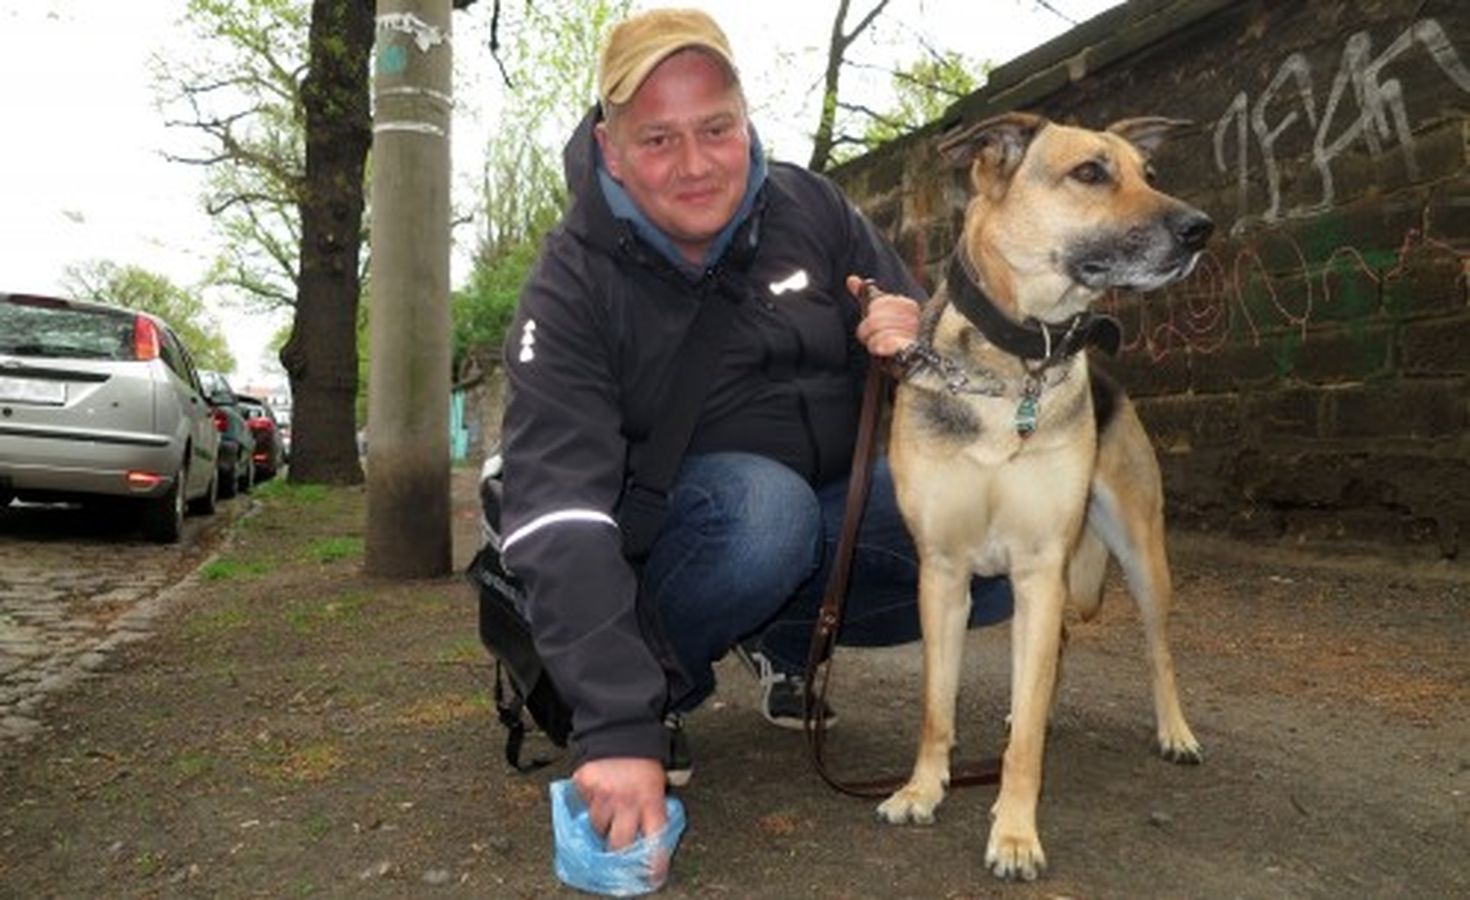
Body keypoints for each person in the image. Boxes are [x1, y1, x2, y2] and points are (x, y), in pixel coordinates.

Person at [498, 7, 1013, 852]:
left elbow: (925, 339)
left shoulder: (812, 204)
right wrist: (617, 720)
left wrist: (910, 337)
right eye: (658, 140)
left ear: (746, 121)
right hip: (695, 529)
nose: (696, 165)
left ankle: (777, 636)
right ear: (609, 149)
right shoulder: (569, 285)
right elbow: (556, 510)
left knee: (992, 534)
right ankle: (658, 684)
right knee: (766, 515)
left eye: (717, 129)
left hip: (826, 502)